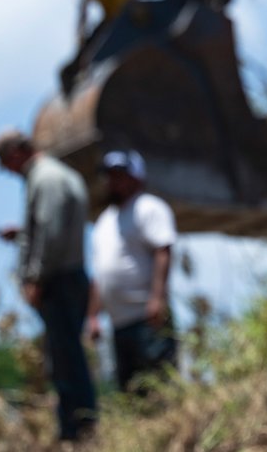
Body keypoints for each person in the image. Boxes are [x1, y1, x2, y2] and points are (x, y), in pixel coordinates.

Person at [0, 126, 97, 440]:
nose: (9, 172)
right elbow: (50, 228)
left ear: (15, 154)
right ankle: (77, 427)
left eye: (6, 164)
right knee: (65, 357)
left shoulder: (45, 178)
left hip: (59, 280)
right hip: (66, 277)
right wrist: (23, 234)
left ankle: (78, 431)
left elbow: (51, 233)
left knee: (66, 361)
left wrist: (35, 278)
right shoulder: (56, 175)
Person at [84, 150, 178, 391]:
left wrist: (157, 298)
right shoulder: (104, 221)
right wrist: (93, 316)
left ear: (136, 177)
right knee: (130, 391)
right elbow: (99, 272)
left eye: (119, 175)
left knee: (160, 386)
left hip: (148, 318)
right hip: (119, 324)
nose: (113, 182)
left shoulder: (149, 208)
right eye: (109, 176)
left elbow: (163, 250)